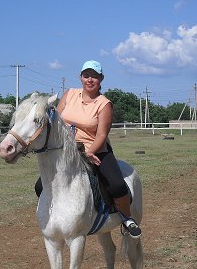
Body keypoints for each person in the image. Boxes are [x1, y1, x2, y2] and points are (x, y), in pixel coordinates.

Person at [36, 60, 142, 238]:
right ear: (80, 77)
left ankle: (126, 218)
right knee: (40, 185)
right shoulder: (69, 94)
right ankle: (54, 213)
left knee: (116, 185)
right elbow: (57, 121)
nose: (90, 79)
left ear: (101, 78)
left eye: (94, 76)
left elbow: (101, 134)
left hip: (97, 150)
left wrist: (90, 151)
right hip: (68, 151)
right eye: (86, 75)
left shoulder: (104, 104)